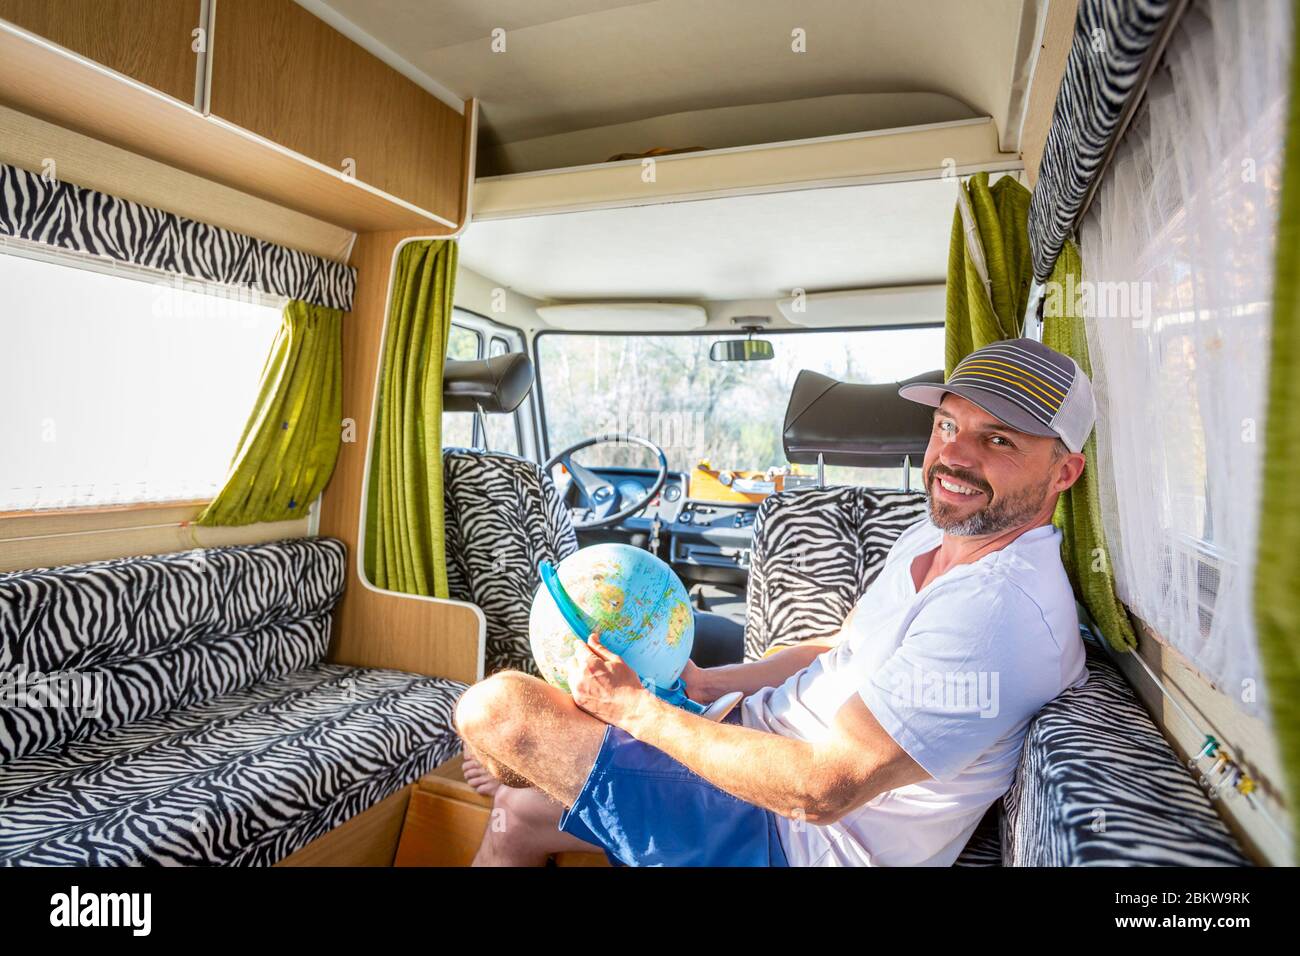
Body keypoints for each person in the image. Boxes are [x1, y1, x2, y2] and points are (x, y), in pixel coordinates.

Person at [455, 337, 1094, 866]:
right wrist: (704, 685)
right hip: (755, 743)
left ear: (1064, 472)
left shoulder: (1000, 613)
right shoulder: (938, 530)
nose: (952, 455)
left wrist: (638, 713)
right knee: (515, 816)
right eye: (947, 425)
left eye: (999, 440)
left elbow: (823, 788)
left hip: (791, 840)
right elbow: (837, 648)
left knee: (497, 711)